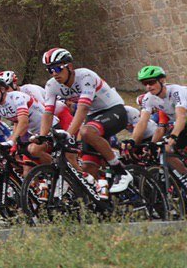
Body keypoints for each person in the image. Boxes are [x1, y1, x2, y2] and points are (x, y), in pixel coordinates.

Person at [39, 48, 133, 193]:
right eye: (50, 70)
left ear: (69, 66)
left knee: (86, 131)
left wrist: (68, 135)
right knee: (89, 168)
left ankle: (121, 172)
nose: (54, 73)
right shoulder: (52, 85)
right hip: (94, 116)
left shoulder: (85, 76)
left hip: (114, 110)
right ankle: (102, 204)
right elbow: (47, 113)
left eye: (57, 68)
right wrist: (42, 137)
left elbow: (82, 109)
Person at [132, 65, 186, 173]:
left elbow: (181, 116)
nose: (148, 86)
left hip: (183, 119)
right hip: (183, 123)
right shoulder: (149, 98)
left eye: (151, 82)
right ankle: (184, 175)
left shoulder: (176, 91)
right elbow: (142, 122)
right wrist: (133, 142)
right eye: (144, 83)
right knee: (164, 150)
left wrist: (174, 136)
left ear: (162, 80)